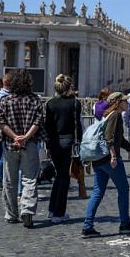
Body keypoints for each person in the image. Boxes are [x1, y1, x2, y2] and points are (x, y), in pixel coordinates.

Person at [82, 92, 130, 238]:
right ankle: (125, 224)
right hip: (110, 160)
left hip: (99, 160)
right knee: (124, 189)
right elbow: (109, 138)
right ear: (118, 102)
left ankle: (87, 227)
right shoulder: (115, 115)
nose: (128, 103)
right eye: (125, 101)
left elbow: (123, 142)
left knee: (97, 192)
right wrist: (113, 156)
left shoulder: (107, 115)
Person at [0, 69, 46, 228]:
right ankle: (28, 211)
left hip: (11, 144)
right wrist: (25, 137)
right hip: (29, 144)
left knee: (9, 180)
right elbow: (38, 122)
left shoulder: (5, 100)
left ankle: (11, 214)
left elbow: (0, 123)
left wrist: (15, 136)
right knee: (30, 179)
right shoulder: (35, 100)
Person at [45, 74, 84, 223]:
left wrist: (48, 145)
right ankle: (59, 212)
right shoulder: (75, 103)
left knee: (58, 176)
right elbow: (77, 126)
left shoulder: (50, 103)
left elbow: (48, 126)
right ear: (69, 88)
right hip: (68, 142)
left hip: (54, 142)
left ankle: (52, 209)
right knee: (64, 178)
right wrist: (79, 142)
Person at [0, 74, 11, 190]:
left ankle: (2, 178)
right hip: (4, 128)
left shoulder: (1, 95)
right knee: (4, 155)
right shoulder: (3, 96)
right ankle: (0, 179)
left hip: (3, 127)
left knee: (3, 155)